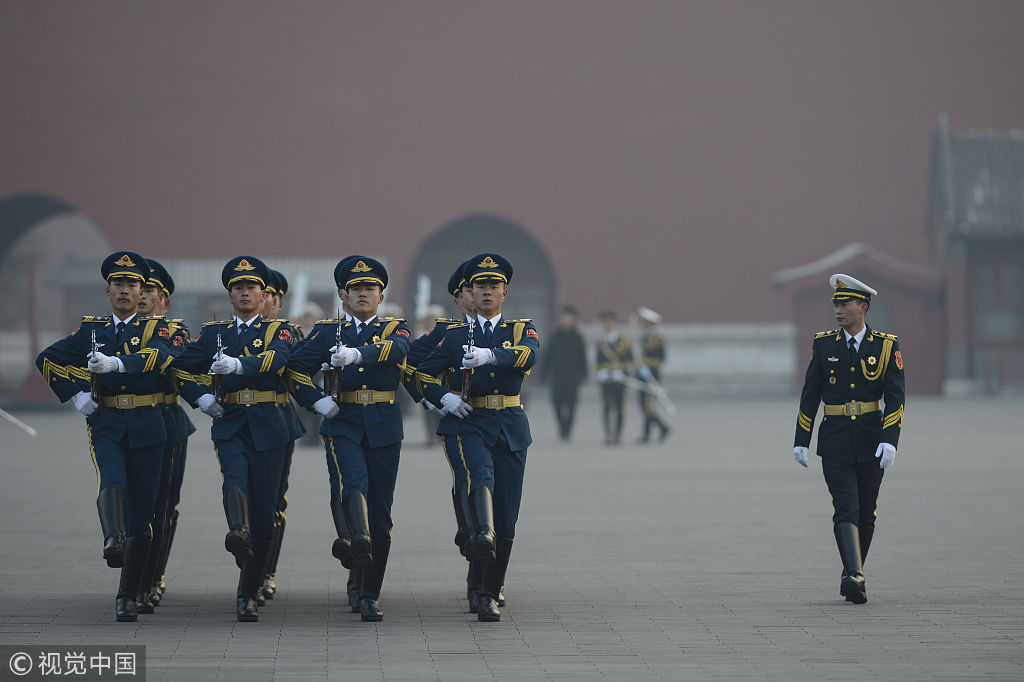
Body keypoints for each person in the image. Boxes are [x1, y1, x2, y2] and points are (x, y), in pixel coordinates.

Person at [35, 252, 174, 622]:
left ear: (142, 291)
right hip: (108, 421)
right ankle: (113, 538)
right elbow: (47, 359)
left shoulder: (157, 328)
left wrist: (116, 363)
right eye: (119, 284)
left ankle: (127, 595)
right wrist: (77, 393)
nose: (126, 291)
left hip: (147, 424)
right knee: (111, 478)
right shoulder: (91, 331)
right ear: (107, 290)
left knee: (143, 513)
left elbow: (159, 357)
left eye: (132, 285)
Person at [415, 253, 540, 622]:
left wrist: (491, 356)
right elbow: (421, 374)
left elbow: (528, 355)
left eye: (493, 286)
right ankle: (480, 543)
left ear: (505, 292)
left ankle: (490, 586)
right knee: (479, 478)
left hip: (511, 425)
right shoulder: (454, 336)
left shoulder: (520, 328)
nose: (487, 292)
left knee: (508, 516)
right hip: (470, 421)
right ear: (470, 291)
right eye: (480, 286)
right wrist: (443, 398)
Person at [286, 256, 410, 622]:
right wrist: (316, 400)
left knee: (381, 512)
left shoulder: (394, 327)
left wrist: (358, 354)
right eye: (355, 289)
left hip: (384, 425)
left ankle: (367, 590)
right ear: (343, 294)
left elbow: (400, 350)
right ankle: (357, 545)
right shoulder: (327, 332)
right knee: (352, 484)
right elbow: (294, 367)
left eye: (370, 289)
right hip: (343, 422)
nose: (363, 294)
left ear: (381, 295)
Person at [170, 256, 294, 622]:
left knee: (265, 511)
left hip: (271, 424)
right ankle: (237, 532)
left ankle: (249, 590)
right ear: (230, 295)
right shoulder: (213, 334)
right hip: (231, 422)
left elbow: (280, 357)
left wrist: (240, 366)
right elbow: (178, 366)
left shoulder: (281, 330)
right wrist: (200, 397)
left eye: (251, 287)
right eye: (237, 288)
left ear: (262, 293)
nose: (244, 293)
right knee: (234, 477)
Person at [793, 274, 905, 604]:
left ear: (863, 307)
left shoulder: (886, 345)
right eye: (836, 305)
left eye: (845, 304)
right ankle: (857, 576)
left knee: (867, 514)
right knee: (846, 508)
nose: (839, 311)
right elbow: (810, 394)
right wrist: (802, 437)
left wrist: (890, 438)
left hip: (872, 437)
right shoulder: (824, 344)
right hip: (836, 438)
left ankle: (850, 572)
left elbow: (896, 397)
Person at [134, 258, 196, 613]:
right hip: (122, 423)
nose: (141, 296)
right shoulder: (113, 330)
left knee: (161, 507)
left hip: (165, 422)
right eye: (138, 290)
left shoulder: (175, 330)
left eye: (150, 291)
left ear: (164, 300)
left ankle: (150, 578)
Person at [259, 268, 306, 604]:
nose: (265, 302)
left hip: (277, 419)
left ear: (277, 302)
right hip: (237, 421)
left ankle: (266, 570)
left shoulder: (288, 334)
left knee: (273, 500)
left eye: (271, 297)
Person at [539, 304, 587, 441]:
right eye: (564, 318)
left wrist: (583, 374)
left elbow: (582, 357)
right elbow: (547, 356)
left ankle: (568, 430)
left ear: (574, 320)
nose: (566, 320)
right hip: (557, 377)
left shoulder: (578, 337)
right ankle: (561, 427)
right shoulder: (555, 336)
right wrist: (544, 373)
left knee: (571, 404)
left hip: (572, 377)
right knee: (557, 403)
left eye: (569, 318)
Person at [595, 311, 633, 445]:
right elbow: (598, 361)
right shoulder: (601, 342)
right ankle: (608, 434)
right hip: (606, 379)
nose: (608, 326)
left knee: (620, 407)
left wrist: (622, 372)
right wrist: (601, 372)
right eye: (606, 323)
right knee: (606, 407)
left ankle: (618, 435)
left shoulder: (624, 341)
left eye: (610, 323)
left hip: (619, 379)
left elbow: (630, 360)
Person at [635, 306, 670, 443]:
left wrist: (647, 364)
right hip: (642, 375)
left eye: (643, 321)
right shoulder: (644, 337)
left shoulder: (657, 339)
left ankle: (659, 429)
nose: (640, 324)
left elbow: (661, 358)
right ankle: (651, 433)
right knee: (643, 405)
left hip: (652, 376)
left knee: (647, 406)